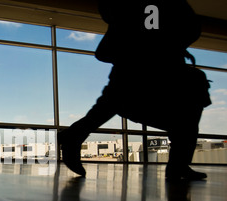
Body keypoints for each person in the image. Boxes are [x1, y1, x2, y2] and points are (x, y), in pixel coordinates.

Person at [59, 0, 212, 181]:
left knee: (113, 101)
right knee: (185, 113)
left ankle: (75, 135)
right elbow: (108, 51)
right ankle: (178, 165)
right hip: (143, 85)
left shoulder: (149, 13)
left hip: (137, 84)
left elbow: (107, 51)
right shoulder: (151, 12)